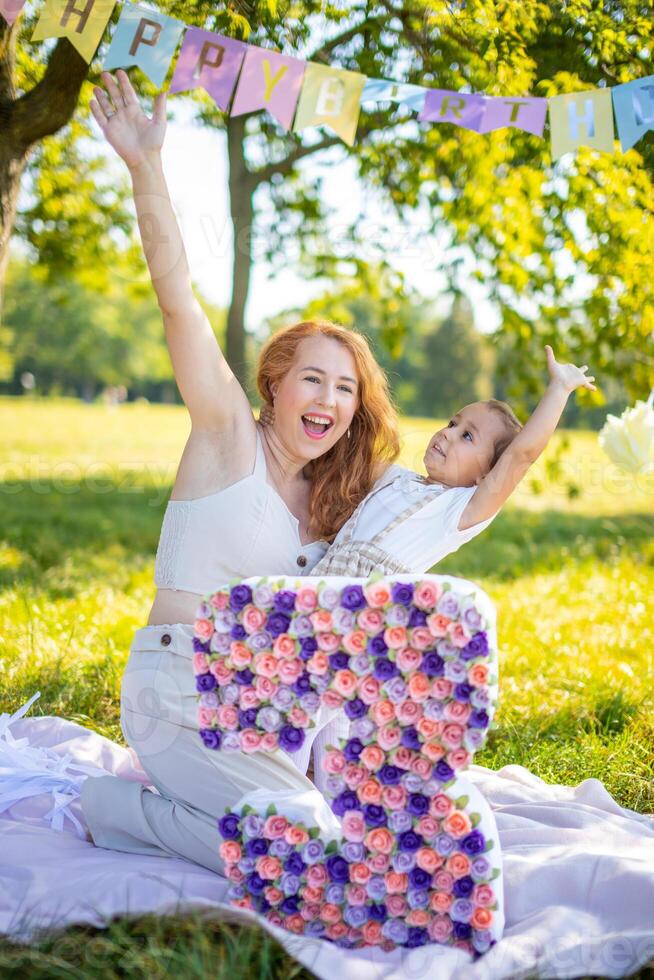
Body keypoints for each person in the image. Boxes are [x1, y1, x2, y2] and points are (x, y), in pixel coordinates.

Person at [48, 70, 399, 872]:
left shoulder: (327, 501)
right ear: (274, 384)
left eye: (346, 389)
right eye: (314, 377)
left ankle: (154, 812)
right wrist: (146, 167)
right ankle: (125, 810)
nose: (330, 399)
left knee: (348, 836)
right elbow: (178, 300)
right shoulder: (224, 434)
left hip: (256, 707)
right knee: (309, 850)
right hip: (174, 689)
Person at [307, 346, 596, 577]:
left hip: (369, 611)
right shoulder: (395, 478)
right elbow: (348, 449)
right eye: (452, 423)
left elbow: (522, 454)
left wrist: (559, 389)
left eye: (468, 436)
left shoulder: (458, 510)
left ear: (487, 474)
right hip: (320, 587)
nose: (448, 433)